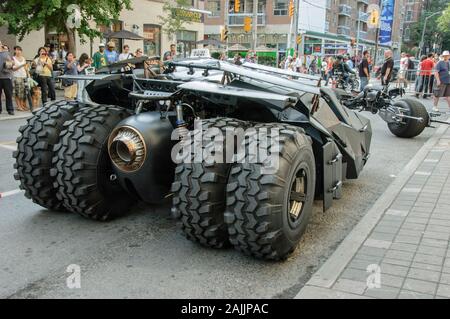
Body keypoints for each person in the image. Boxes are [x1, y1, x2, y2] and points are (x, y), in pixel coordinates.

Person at [12, 46, 28, 111]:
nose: (18, 51)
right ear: (14, 51)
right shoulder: (13, 58)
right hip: (17, 76)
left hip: (24, 76)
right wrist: (21, 65)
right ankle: (18, 106)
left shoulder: (23, 58)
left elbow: (25, 68)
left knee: (23, 93)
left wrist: (27, 73)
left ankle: (22, 105)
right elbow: (13, 68)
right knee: (18, 92)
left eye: (19, 50)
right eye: (16, 50)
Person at [0, 41, 14, 115]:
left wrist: (8, 64)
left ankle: (10, 109)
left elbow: (12, 63)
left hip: (6, 77)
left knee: (8, 94)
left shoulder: (6, 53)